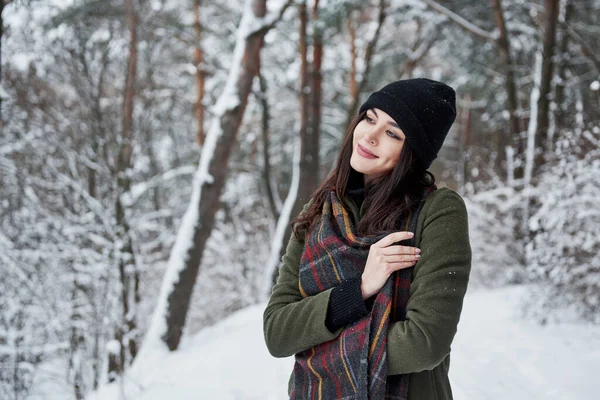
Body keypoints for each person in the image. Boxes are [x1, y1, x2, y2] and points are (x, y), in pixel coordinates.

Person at [263, 78, 472, 400]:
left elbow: (423, 345)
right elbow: (278, 333)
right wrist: (358, 289)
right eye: (370, 118)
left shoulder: (437, 211)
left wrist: (313, 349)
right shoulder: (319, 212)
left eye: (392, 133)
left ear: (414, 152)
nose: (370, 136)